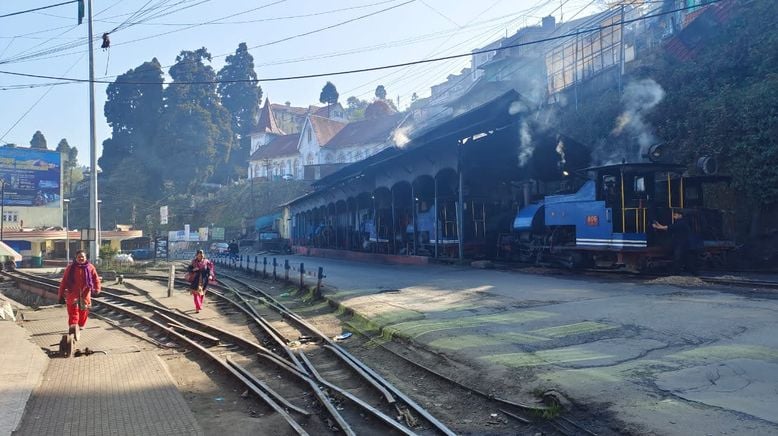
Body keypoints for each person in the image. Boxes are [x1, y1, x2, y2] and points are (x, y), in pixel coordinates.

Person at [57, 250, 101, 341]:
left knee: (84, 310)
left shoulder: (90, 267)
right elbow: (64, 281)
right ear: (76, 258)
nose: (81, 258)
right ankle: (73, 326)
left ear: (86, 258)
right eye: (79, 257)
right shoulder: (70, 268)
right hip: (73, 293)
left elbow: (96, 279)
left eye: (83, 257)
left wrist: (97, 289)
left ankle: (80, 325)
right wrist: (60, 295)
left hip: (85, 293)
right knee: (73, 311)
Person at [652, 210, 698, 275]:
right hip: (684, 243)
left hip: (681, 243)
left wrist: (657, 226)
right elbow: (668, 228)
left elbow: (668, 228)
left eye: (675, 215)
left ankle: (676, 273)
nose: (674, 216)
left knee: (678, 258)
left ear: (680, 215)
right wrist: (658, 225)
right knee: (686, 259)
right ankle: (694, 272)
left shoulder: (681, 223)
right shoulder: (683, 222)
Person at [187, 249, 214, 313]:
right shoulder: (193, 262)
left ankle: (199, 305)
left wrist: (210, 275)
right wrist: (193, 269)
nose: (200, 257)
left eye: (201, 255)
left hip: (204, 280)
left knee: (201, 294)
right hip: (195, 280)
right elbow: (189, 269)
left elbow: (210, 269)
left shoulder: (206, 262)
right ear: (196, 256)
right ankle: (198, 307)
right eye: (199, 255)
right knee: (196, 294)